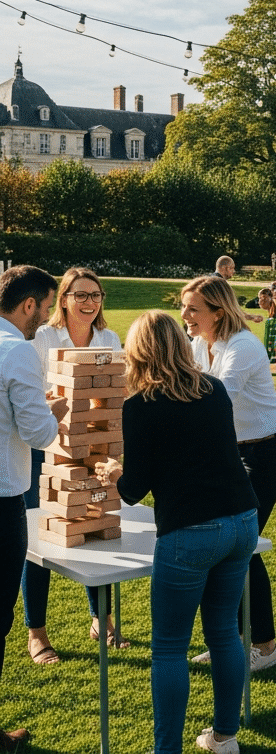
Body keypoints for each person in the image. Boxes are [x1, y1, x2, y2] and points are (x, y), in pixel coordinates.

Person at [95, 312, 258, 754]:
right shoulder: (214, 389)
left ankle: (165, 750)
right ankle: (225, 737)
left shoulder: (141, 405)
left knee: (169, 648)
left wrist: (114, 472)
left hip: (190, 532)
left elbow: (133, 489)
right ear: (179, 345)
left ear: (138, 352)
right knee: (223, 632)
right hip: (242, 521)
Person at [179, 276, 276, 671]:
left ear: (218, 311)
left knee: (241, 545)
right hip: (232, 450)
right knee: (226, 547)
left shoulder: (243, 345)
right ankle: (230, 641)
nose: (185, 315)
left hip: (268, 451)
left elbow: (216, 399)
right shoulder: (199, 342)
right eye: (184, 306)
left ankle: (264, 646)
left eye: (193, 308)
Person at [25, 267, 127, 663]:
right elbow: (31, 391)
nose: (89, 303)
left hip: (94, 446)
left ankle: (101, 619)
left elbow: (114, 390)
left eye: (96, 295)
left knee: (95, 524)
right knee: (40, 536)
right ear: (63, 298)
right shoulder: (43, 337)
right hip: (45, 445)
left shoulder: (108, 338)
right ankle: (37, 633)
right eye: (80, 295)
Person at [1, 265, 60, 751]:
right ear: (28, 305)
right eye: (46, 306)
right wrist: (53, 412)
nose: (47, 315)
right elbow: (39, 434)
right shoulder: (18, 350)